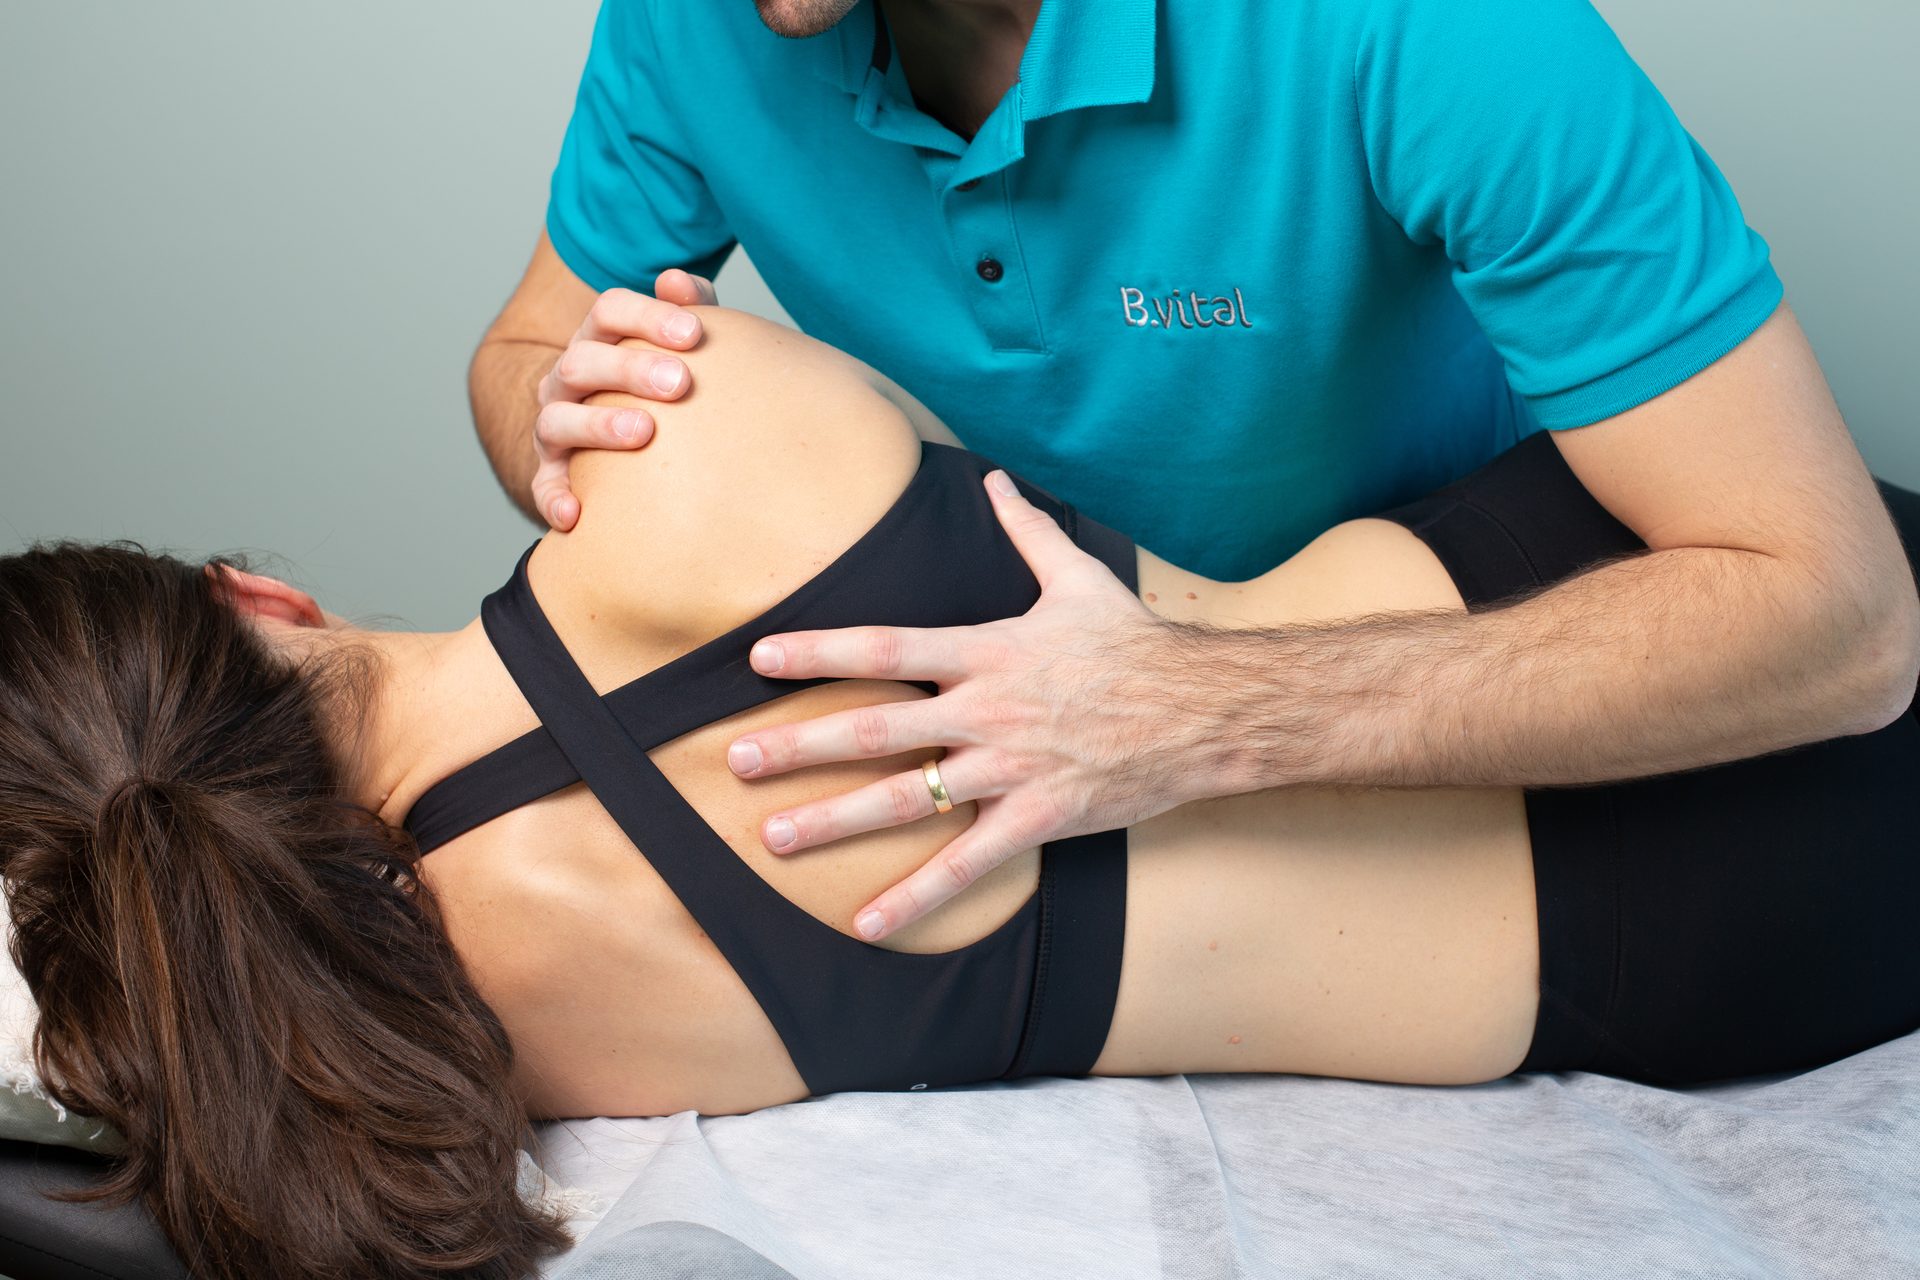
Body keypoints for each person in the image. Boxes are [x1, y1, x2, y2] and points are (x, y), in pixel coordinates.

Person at [5, 309, 1918, 1280]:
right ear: (251, 595)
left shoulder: (463, 1029)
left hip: (1688, 964)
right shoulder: (675, 424)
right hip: (1587, 608)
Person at [468, 1, 1920, 943]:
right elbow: (529, 341)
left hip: (1545, 656)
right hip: (1092, 706)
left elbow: (1844, 621)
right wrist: (554, 409)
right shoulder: (689, 23)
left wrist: (1193, 705)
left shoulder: (1428, 27)